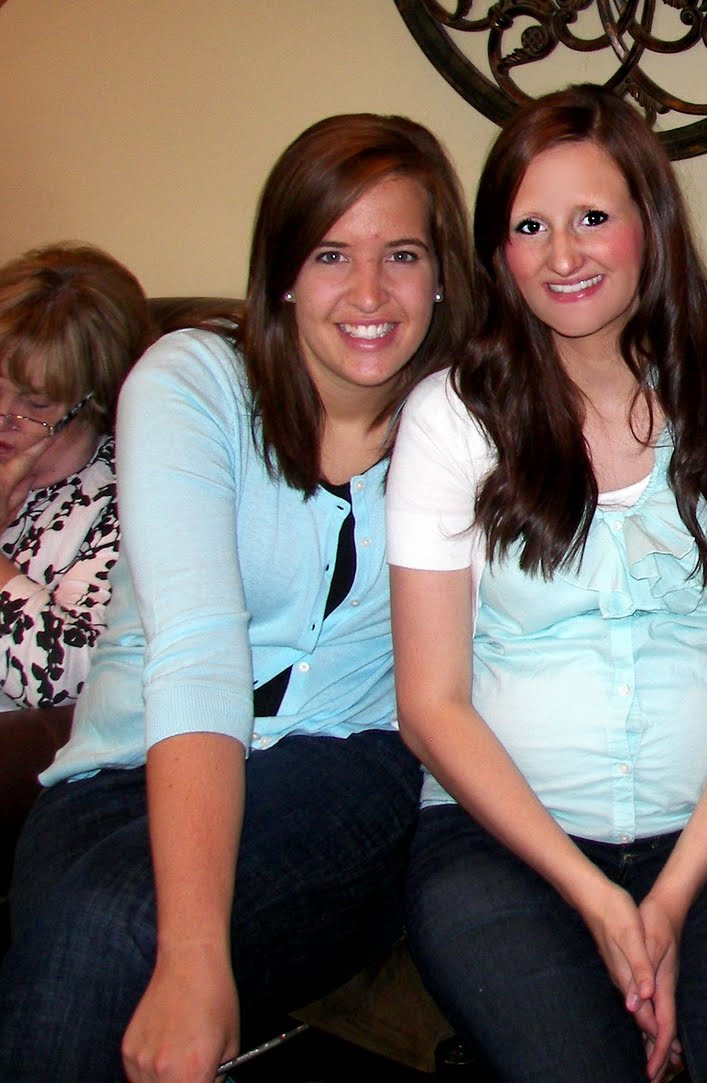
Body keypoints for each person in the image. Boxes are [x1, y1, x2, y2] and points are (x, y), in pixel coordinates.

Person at [0, 114, 475, 1082]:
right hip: (124, 763)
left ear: (441, 277)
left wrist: (189, 957)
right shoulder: (192, 382)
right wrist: (193, 957)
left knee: (115, 920)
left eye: (402, 254)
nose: (370, 293)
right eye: (332, 253)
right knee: (90, 916)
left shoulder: (471, 425)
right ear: (284, 270)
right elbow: (197, 650)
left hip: (349, 768)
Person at [387, 85, 707, 1083]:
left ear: (650, 224)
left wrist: (667, 900)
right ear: (497, 253)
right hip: (499, 845)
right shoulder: (451, 419)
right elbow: (430, 702)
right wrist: (598, 901)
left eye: (593, 216)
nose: (563, 255)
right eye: (530, 227)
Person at [0, 243, 153, 710]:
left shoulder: (128, 503)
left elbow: (65, 678)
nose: (4, 416)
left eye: (36, 403)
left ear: (96, 401)